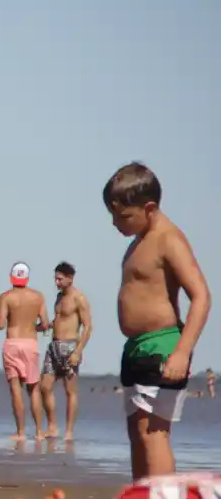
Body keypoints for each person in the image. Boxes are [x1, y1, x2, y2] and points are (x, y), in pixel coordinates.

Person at [105, 162, 211, 479]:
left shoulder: (169, 240)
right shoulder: (139, 241)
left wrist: (182, 351)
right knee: (138, 435)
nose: (115, 223)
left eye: (123, 216)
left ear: (149, 208)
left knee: (153, 435)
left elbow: (202, 296)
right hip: (137, 348)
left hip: (163, 347)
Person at [0, 263, 51, 442]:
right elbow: (45, 323)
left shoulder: (6, 297)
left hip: (12, 343)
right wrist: (32, 326)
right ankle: (39, 432)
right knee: (34, 388)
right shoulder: (38, 297)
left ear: (12, 277)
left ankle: (20, 433)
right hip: (30, 343)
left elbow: (1, 323)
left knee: (15, 389)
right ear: (27, 278)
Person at [39, 262, 92, 441]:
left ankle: (69, 431)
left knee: (70, 391)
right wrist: (44, 326)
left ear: (70, 278)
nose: (57, 282)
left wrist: (78, 351)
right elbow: (59, 320)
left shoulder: (79, 298)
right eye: (55, 278)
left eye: (60, 279)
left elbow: (87, 327)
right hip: (54, 346)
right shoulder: (59, 297)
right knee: (44, 386)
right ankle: (52, 426)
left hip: (70, 348)